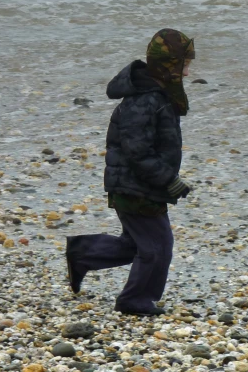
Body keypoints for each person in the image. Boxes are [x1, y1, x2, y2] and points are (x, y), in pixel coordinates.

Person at [65, 29, 196, 316]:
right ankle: (134, 300)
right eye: (184, 65)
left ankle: (82, 253)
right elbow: (137, 152)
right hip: (133, 185)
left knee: (135, 243)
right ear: (168, 66)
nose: (187, 73)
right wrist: (169, 180)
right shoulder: (144, 101)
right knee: (157, 246)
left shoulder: (156, 95)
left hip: (140, 184)